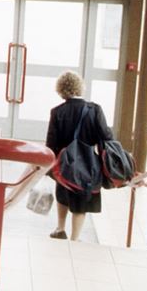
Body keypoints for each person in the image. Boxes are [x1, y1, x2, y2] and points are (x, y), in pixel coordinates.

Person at [45, 71, 112, 241]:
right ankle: (75, 238)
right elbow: (106, 137)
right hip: (88, 164)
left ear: (61, 89)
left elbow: (51, 143)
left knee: (63, 192)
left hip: (64, 163)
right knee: (81, 201)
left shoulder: (57, 112)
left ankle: (60, 228)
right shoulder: (94, 110)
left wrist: (47, 166)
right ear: (80, 87)